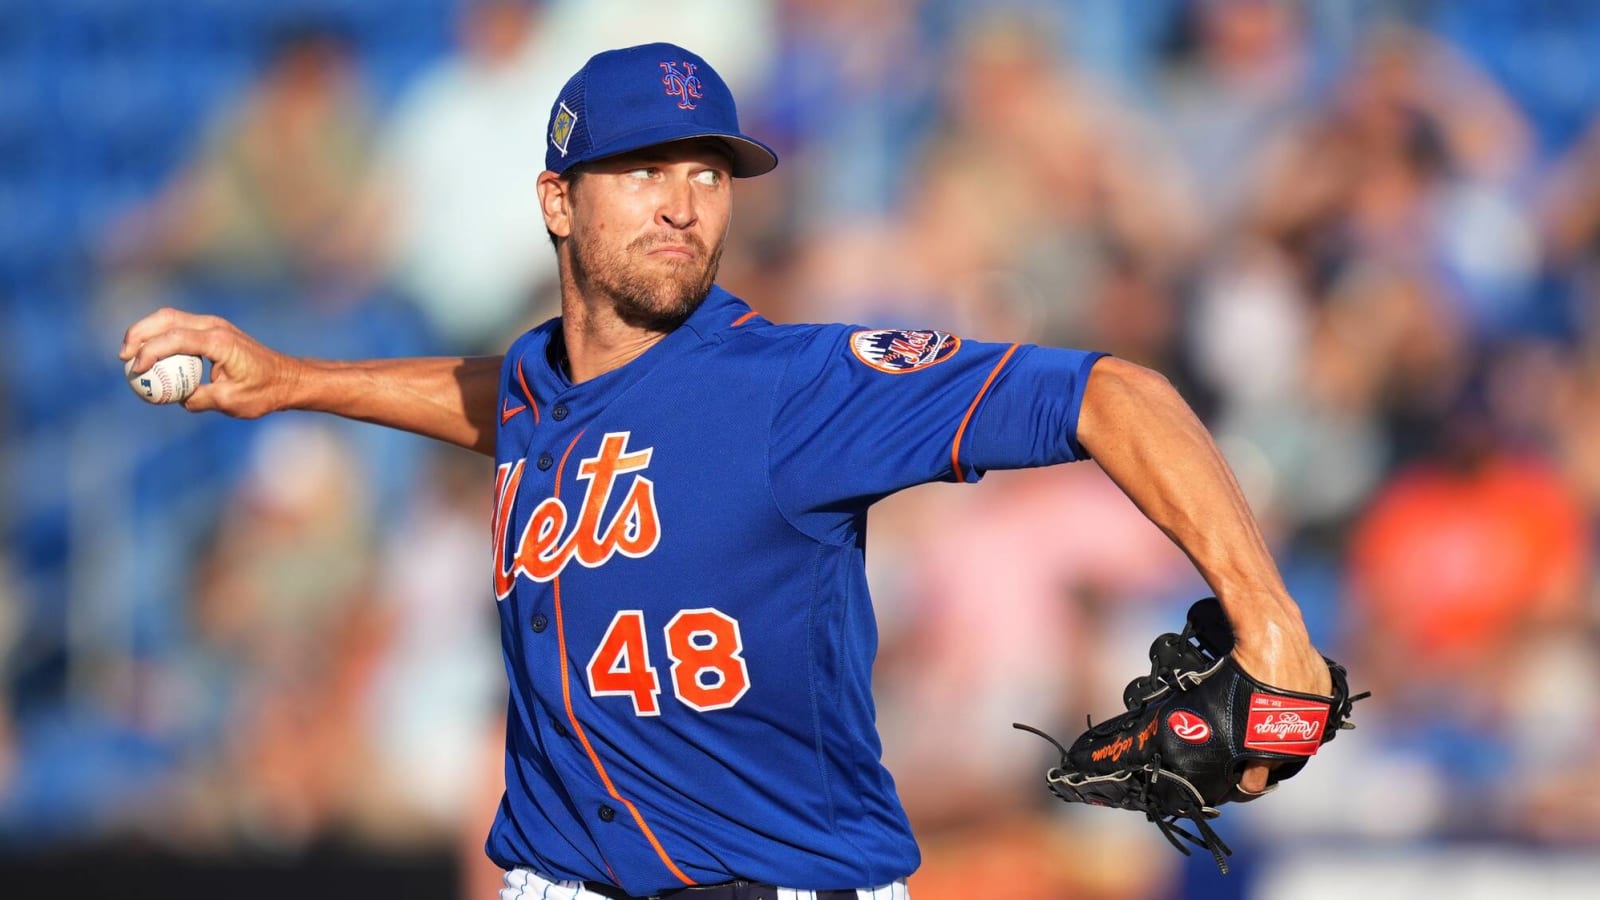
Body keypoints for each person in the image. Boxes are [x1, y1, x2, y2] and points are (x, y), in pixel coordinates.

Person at [121, 42, 1334, 900]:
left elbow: (1114, 393)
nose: (683, 204)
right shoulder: (547, 384)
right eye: (644, 170)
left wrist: (1268, 617)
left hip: (783, 883)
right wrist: (290, 380)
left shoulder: (795, 390)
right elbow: (504, 401)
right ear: (557, 200)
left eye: (707, 173)